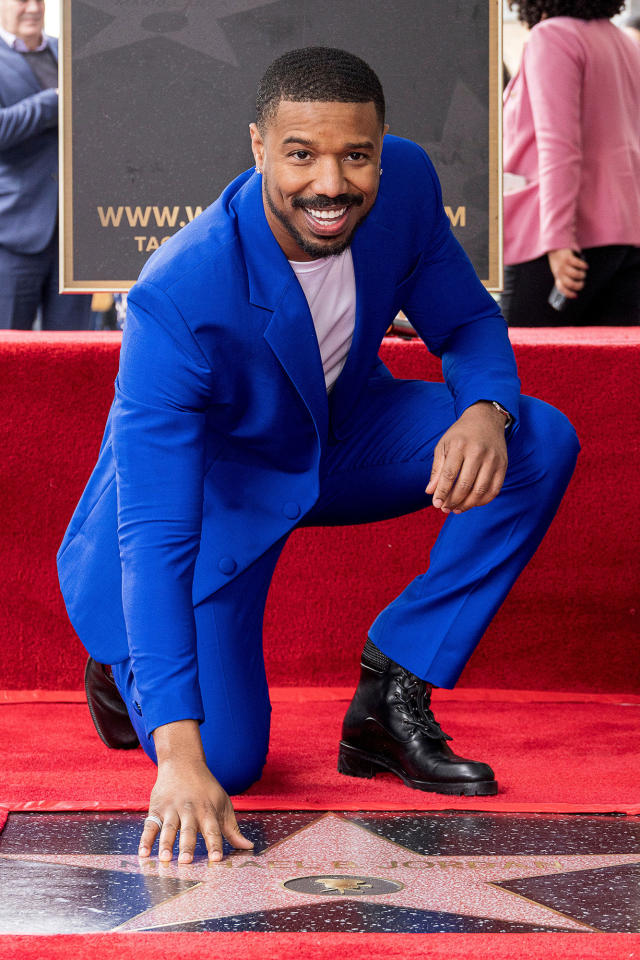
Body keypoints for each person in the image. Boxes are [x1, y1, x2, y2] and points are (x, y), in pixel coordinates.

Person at [58, 47, 580, 865]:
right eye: (301, 155)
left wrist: (484, 407)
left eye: (356, 155)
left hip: (341, 432)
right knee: (228, 762)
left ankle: (392, 690)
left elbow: (467, 321)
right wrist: (181, 760)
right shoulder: (177, 296)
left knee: (535, 438)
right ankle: (119, 655)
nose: (331, 184)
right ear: (260, 147)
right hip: (216, 491)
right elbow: (155, 536)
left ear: (381, 147)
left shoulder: (404, 184)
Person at [501, 0, 640, 326]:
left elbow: (558, 146)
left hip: (558, 241)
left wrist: (558, 239)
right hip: (624, 239)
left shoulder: (551, 38)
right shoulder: (623, 44)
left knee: (521, 365)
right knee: (608, 372)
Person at [0, 0, 92, 329]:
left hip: (73, 237)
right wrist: (53, 100)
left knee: (73, 354)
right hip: (15, 232)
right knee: (8, 356)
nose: (33, 8)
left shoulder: (68, 53)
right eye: (22, 0)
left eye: (38, 0)